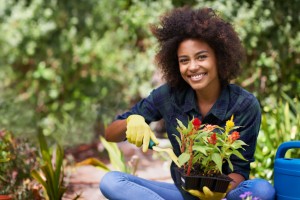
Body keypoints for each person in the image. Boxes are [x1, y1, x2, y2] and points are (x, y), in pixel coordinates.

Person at [99, 6, 275, 200]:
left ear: (219, 57)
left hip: (224, 195)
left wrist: (216, 193)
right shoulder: (169, 95)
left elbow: (239, 171)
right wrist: (131, 121)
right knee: (112, 181)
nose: (192, 67)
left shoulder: (244, 104)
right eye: (184, 60)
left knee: (262, 191)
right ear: (176, 64)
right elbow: (110, 133)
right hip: (184, 195)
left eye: (201, 57)